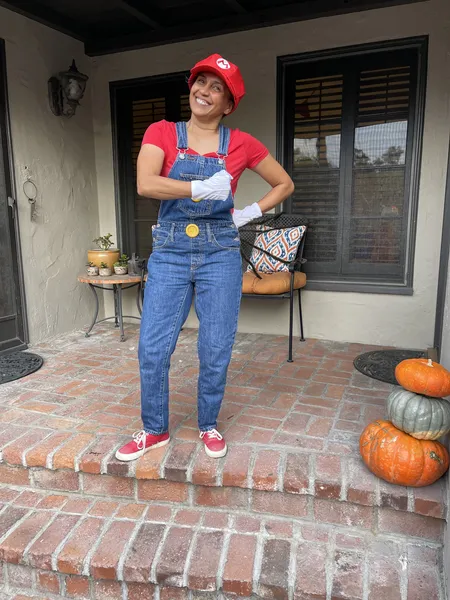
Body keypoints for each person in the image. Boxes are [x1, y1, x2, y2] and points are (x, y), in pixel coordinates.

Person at [115, 54, 294, 462]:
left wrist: (248, 213)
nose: (205, 91)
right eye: (201, 82)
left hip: (221, 251)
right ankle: (154, 429)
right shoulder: (162, 131)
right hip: (171, 251)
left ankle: (208, 423)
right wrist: (196, 188)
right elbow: (146, 183)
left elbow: (284, 183)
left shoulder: (242, 143)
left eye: (217, 88)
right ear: (191, 87)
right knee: (153, 347)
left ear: (229, 104)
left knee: (215, 346)